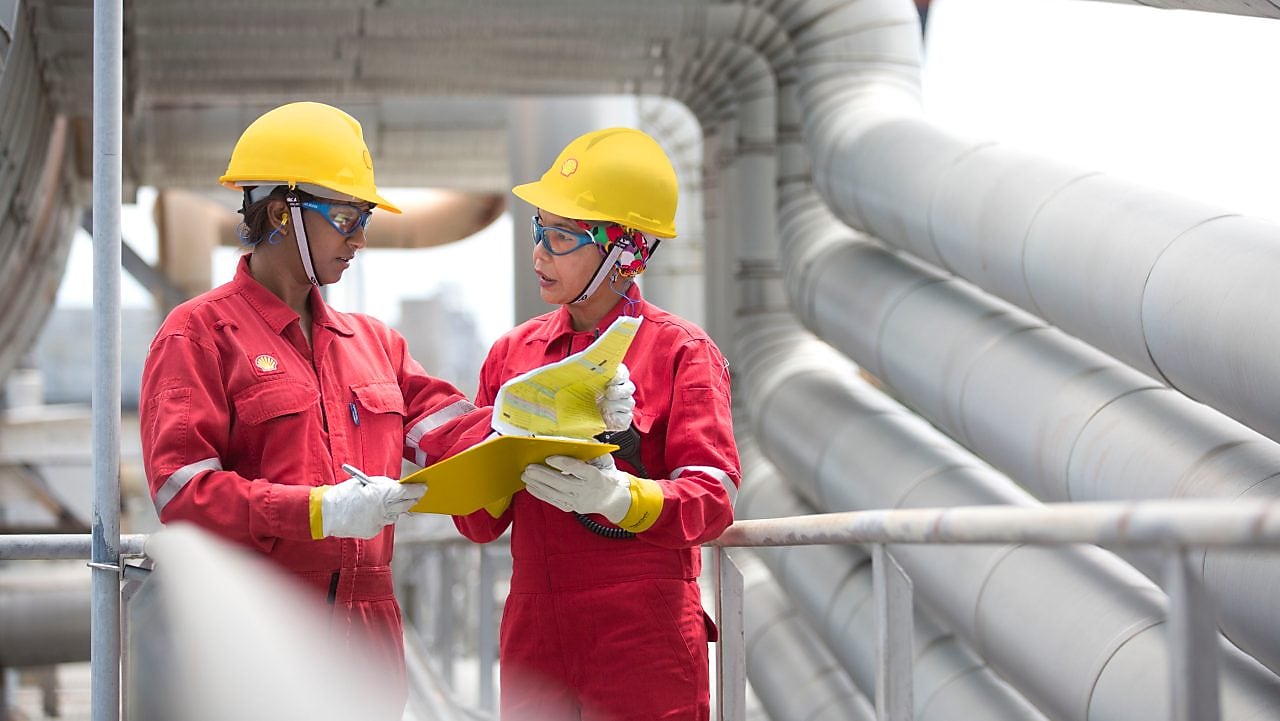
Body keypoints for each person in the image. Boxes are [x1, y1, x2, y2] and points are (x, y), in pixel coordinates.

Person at [137, 101, 500, 716]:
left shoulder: (375, 344)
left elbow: (457, 435)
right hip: (261, 636)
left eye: (363, 219)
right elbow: (182, 495)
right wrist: (317, 511)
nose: (360, 239)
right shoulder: (198, 334)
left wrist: (545, 413)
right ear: (282, 212)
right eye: (346, 217)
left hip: (371, 642)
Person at [453, 127, 742, 721]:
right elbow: (478, 524)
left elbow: (713, 498)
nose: (538, 253)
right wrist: (484, 463)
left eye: (560, 237)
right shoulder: (512, 356)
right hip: (536, 633)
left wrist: (622, 497)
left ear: (626, 251)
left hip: (644, 635)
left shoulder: (682, 352)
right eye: (539, 229)